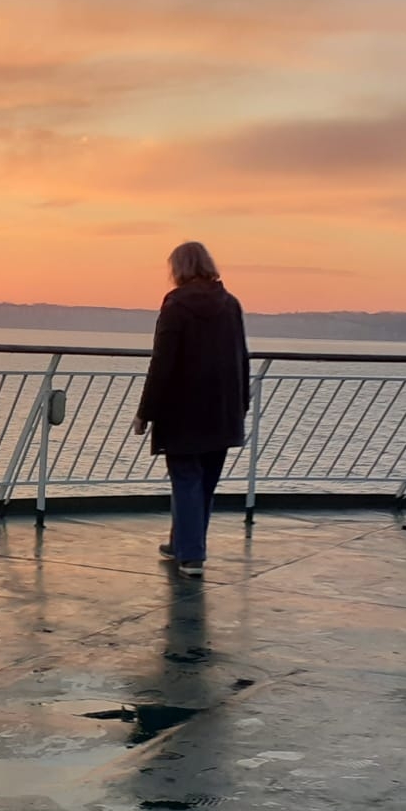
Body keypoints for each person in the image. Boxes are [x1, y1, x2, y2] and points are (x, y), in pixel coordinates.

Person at [133, 241, 251, 578]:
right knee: (205, 483)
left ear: (178, 268)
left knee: (185, 479)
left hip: (182, 411)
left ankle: (192, 555)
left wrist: (145, 412)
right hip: (222, 410)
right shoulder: (231, 304)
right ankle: (182, 543)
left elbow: (162, 363)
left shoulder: (176, 305)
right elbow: (241, 357)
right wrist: (241, 403)